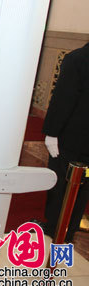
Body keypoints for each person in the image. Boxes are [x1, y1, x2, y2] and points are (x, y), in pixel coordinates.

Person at [42, 42, 89, 242]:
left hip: (71, 137)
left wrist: (52, 132)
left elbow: (63, 99)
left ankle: (55, 226)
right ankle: (70, 228)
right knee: (84, 186)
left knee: (61, 181)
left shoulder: (77, 59)